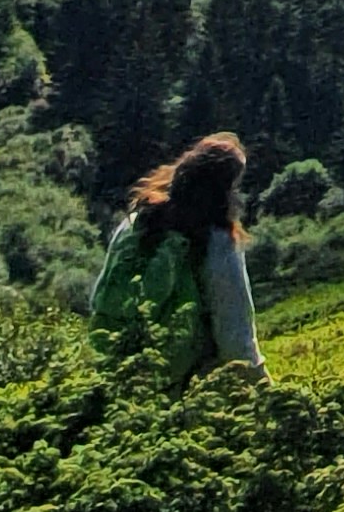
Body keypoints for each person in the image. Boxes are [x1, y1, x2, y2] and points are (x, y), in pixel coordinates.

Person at [89, 132, 262, 382]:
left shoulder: (136, 223)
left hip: (116, 373)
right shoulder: (217, 241)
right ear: (221, 193)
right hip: (182, 386)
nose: (239, 197)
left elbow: (99, 298)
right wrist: (266, 391)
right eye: (235, 187)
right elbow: (234, 337)